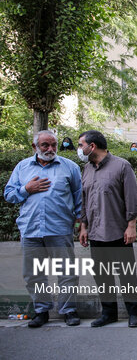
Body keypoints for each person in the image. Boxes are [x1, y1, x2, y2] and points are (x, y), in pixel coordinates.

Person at [4, 130, 82, 328]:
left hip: (60, 228)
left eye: (53, 144)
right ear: (35, 147)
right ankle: (41, 310)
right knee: (33, 274)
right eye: (45, 145)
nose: (50, 149)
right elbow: (9, 194)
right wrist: (26, 189)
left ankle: (68, 310)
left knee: (67, 272)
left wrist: (82, 224)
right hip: (31, 229)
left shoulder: (69, 167)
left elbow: (79, 197)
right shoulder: (22, 168)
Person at [77, 130, 137, 328]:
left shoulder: (122, 166)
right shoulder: (87, 169)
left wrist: (131, 226)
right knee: (102, 275)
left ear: (92, 146)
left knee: (127, 275)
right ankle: (109, 313)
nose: (79, 149)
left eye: (81, 145)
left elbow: (133, 199)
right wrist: (83, 227)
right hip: (96, 233)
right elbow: (84, 200)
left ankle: (134, 313)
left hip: (118, 231)